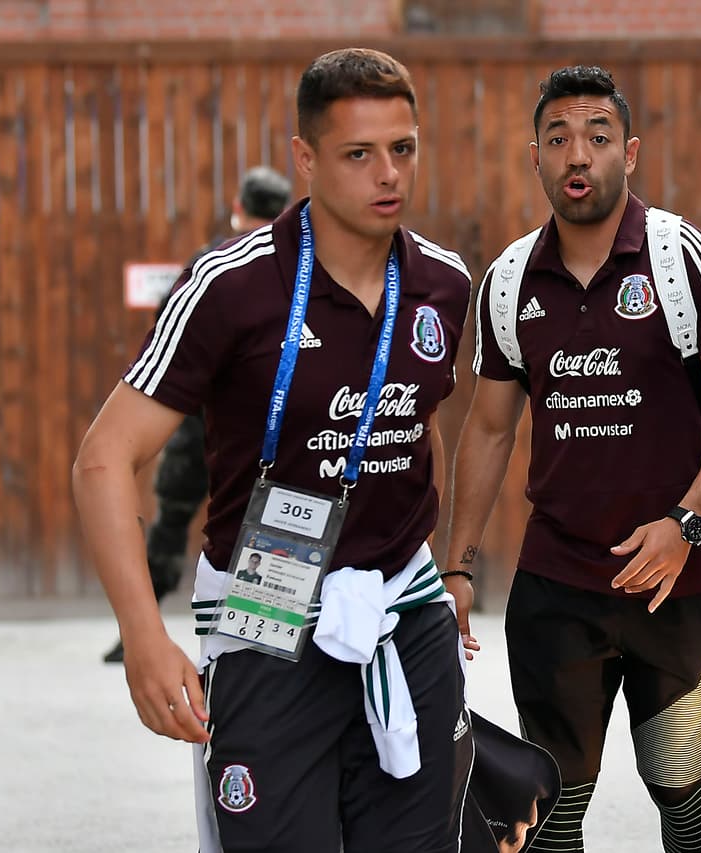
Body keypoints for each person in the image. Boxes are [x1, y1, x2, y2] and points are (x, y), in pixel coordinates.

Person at [74, 48, 476, 852]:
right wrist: (144, 636)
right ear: (306, 158)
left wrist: (446, 569)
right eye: (358, 153)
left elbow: (421, 426)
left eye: (403, 148)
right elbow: (102, 460)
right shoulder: (232, 285)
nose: (387, 174)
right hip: (266, 616)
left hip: (405, 618)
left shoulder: (443, 281)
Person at [445, 66, 701, 853]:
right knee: (550, 810)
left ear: (629, 150)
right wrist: (454, 568)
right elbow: (487, 430)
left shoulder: (683, 259)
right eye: (558, 140)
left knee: (681, 791)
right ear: (536, 158)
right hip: (558, 585)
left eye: (594, 137)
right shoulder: (510, 280)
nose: (576, 155)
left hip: (679, 584)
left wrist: (684, 524)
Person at [103, 165, 292, 663]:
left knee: (173, 521)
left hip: (196, 427)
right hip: (272, 429)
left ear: (238, 207)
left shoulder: (212, 263)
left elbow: (167, 341)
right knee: (269, 521)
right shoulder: (299, 263)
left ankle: (138, 629)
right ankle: (266, 632)